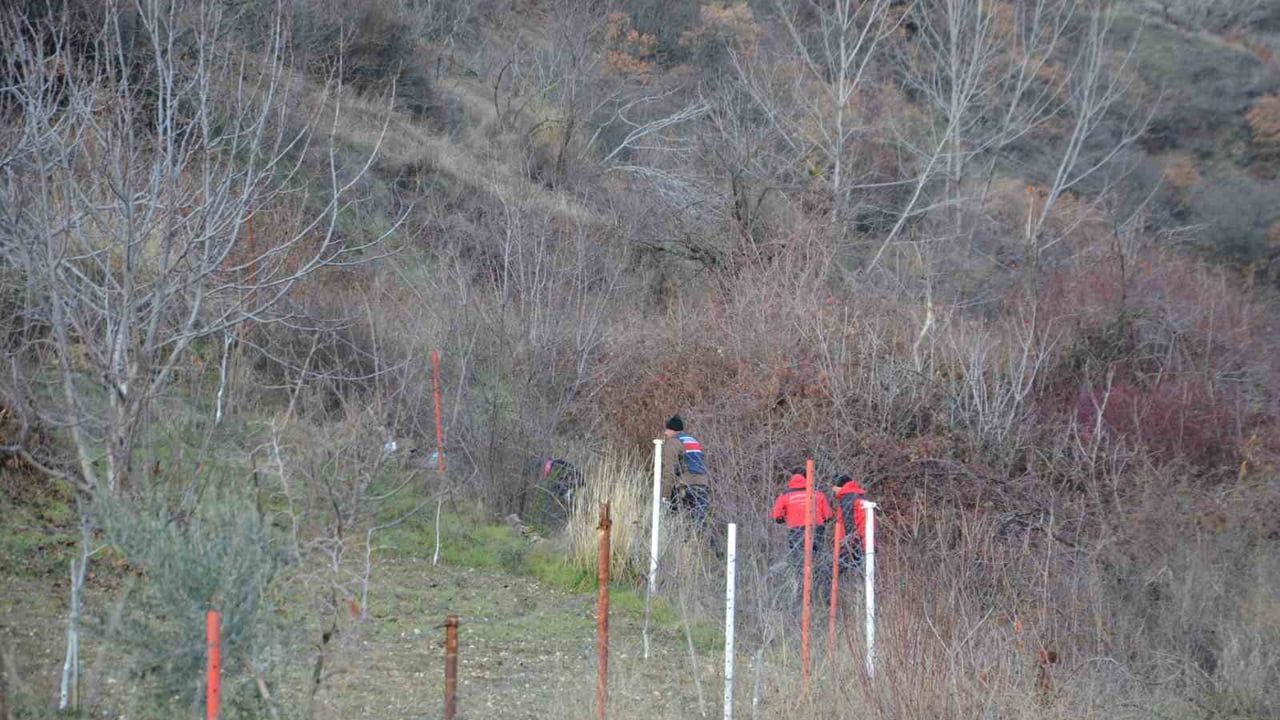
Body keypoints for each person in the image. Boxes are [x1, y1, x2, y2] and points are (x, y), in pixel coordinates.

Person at [770, 468, 834, 590]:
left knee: (798, 561)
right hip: (817, 530)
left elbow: (776, 516)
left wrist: (784, 519)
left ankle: (801, 586)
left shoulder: (785, 496)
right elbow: (828, 516)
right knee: (816, 558)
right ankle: (817, 584)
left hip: (796, 530)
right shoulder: (818, 494)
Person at [662, 415, 710, 527]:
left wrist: (665, 496)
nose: (665, 433)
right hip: (703, 486)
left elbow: (669, 471)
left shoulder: (673, 442)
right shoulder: (693, 441)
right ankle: (701, 543)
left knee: (678, 523)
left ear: (672, 430)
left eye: (667, 430)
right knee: (699, 524)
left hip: (685, 486)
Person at [832, 474, 868, 574]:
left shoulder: (847, 500)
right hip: (865, 541)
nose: (833, 491)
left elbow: (848, 523)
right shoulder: (859, 496)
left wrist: (845, 545)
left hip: (855, 544)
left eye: (834, 488)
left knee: (832, 573)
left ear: (839, 487)